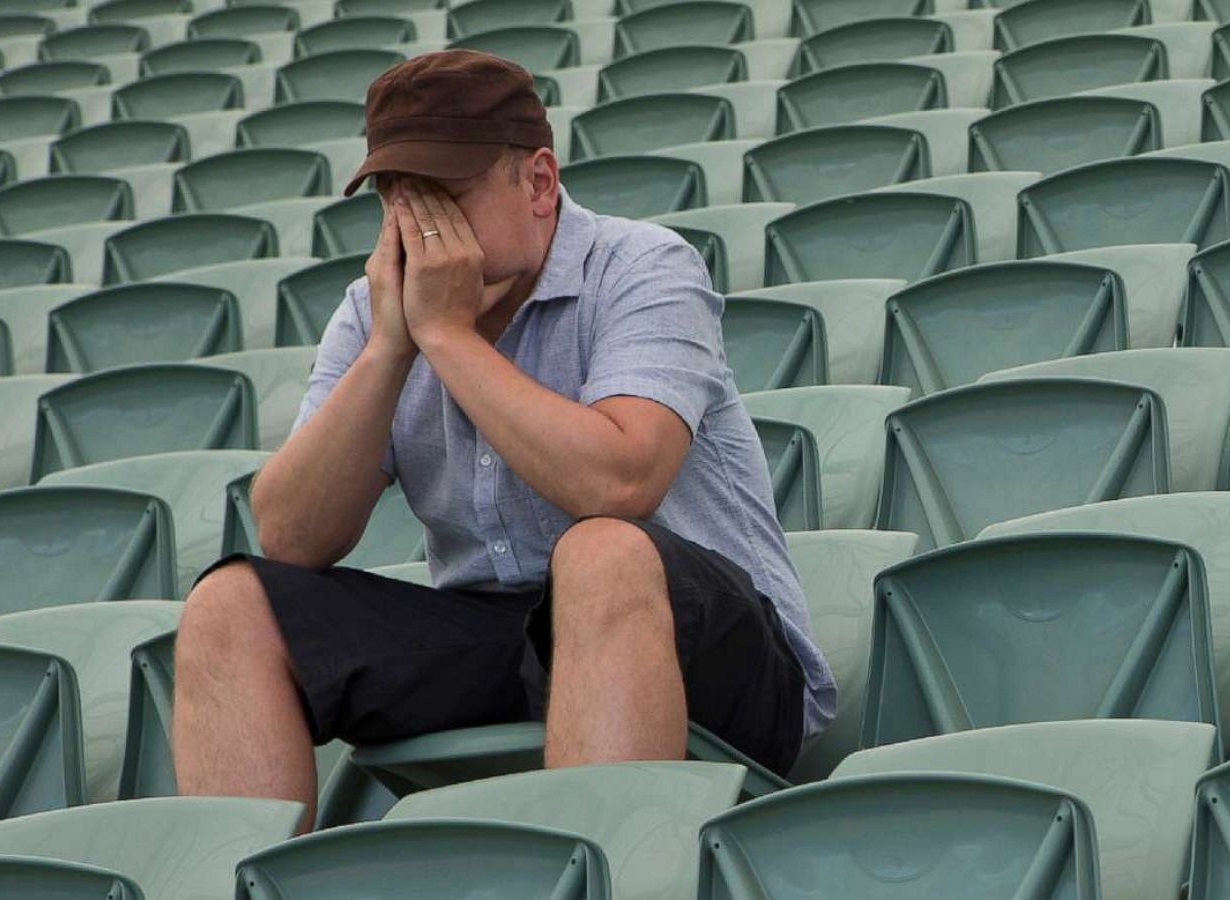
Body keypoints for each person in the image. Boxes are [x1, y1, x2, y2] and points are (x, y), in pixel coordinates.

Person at [171, 50, 832, 828]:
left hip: (709, 648)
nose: (425, 236)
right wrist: (391, 348)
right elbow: (290, 536)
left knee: (600, 550)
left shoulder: (643, 267)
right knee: (232, 604)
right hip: (501, 636)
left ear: (540, 183)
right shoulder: (371, 311)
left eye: (447, 200)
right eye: (400, 205)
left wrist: (449, 337)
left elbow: (621, 485)